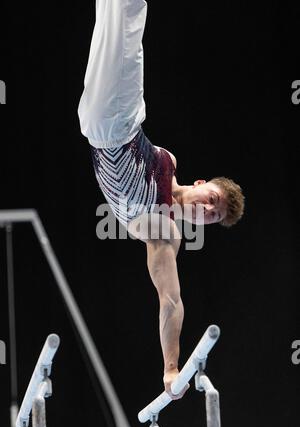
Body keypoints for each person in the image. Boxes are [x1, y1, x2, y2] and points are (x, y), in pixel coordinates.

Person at [78, 0, 245, 400]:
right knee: (119, 15)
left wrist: (171, 367)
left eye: (212, 216)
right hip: (122, 118)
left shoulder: (164, 229)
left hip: (102, 127)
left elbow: (170, 300)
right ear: (204, 183)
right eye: (213, 200)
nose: (206, 209)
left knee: (122, 20)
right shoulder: (169, 160)